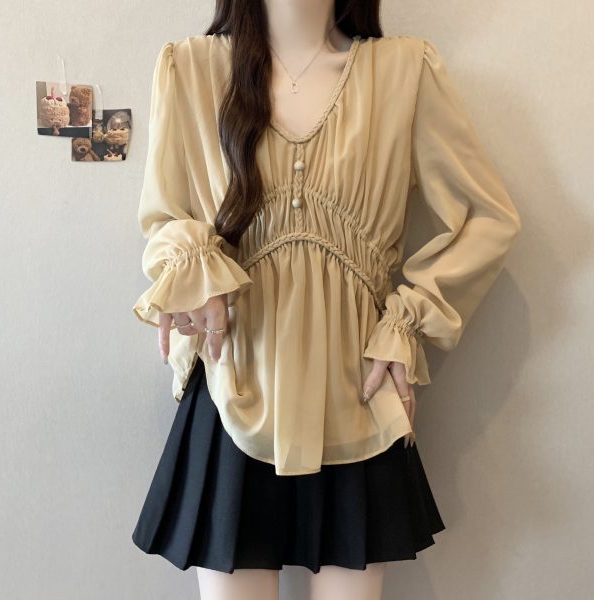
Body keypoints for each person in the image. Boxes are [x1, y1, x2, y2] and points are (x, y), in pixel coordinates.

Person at [130, 1, 522, 598]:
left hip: (357, 394)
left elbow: (486, 219)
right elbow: (165, 217)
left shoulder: (403, 72)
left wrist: (407, 322)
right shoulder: (191, 70)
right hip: (233, 388)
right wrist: (190, 275)